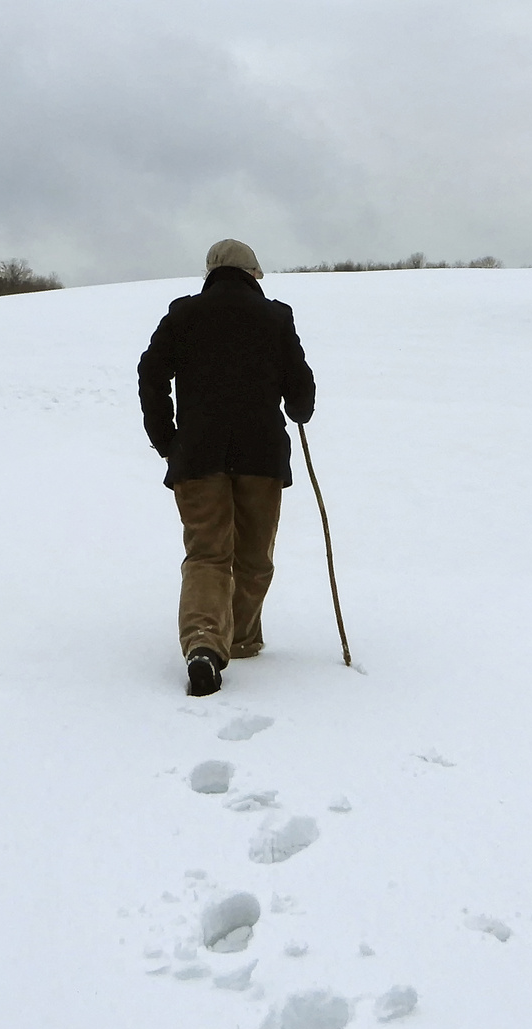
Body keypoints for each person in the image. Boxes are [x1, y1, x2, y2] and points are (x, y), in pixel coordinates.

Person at [137, 239, 316, 696]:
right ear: (253, 273)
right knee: (254, 558)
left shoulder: (183, 315)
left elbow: (151, 373)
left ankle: (203, 643)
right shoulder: (276, 317)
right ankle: (239, 640)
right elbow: (301, 386)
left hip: (196, 457)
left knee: (207, 554)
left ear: (210, 273)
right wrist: (299, 406)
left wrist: (165, 438)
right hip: (262, 459)